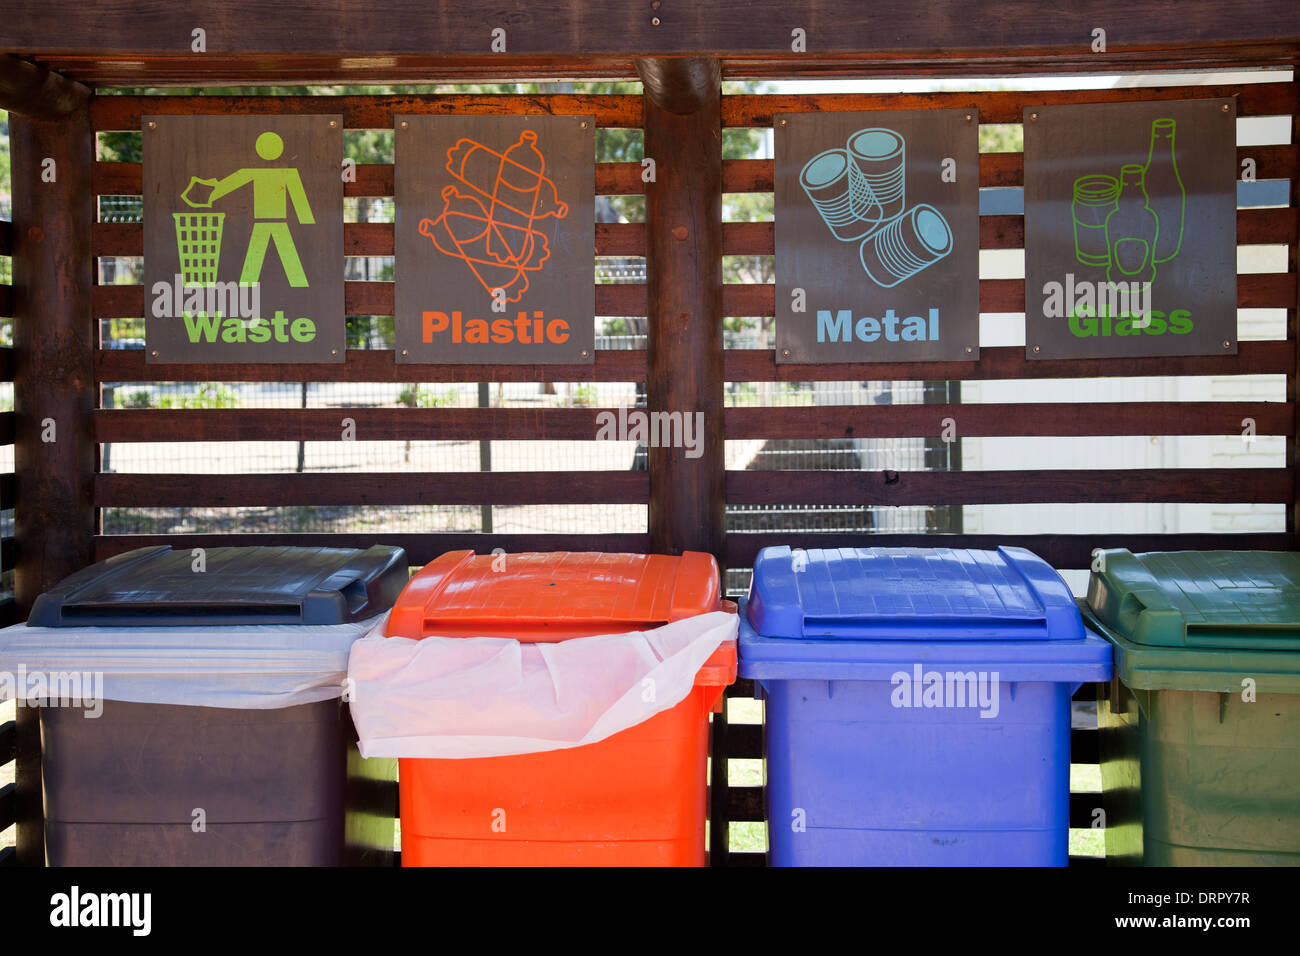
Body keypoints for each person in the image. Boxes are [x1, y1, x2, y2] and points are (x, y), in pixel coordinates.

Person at [206, 131, 315, 287]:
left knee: (283, 268)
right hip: (270, 223)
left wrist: (213, 192)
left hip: (270, 223)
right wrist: (307, 221)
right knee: (282, 268)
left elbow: (232, 182)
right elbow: (233, 182)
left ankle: (254, 292)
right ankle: (252, 294)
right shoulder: (286, 173)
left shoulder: (283, 173)